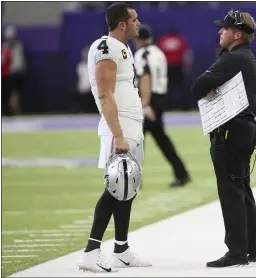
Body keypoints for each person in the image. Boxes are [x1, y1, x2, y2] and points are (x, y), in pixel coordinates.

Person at [78, 3, 151, 272]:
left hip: (130, 126)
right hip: (119, 128)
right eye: (134, 19)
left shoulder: (123, 48)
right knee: (116, 187)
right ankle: (91, 251)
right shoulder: (107, 46)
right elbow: (105, 93)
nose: (138, 23)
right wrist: (118, 134)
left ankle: (120, 249)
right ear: (122, 24)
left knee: (127, 188)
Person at [191, 10, 256, 268]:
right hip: (246, 128)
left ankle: (236, 253)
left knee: (231, 192)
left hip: (232, 132)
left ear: (237, 34)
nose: (220, 31)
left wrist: (209, 87)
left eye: (225, 28)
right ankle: (250, 249)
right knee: (242, 190)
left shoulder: (233, 58)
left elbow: (198, 85)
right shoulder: (246, 57)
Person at [133, 24, 191, 188]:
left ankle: (135, 179)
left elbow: (145, 79)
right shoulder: (159, 53)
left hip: (148, 99)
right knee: (160, 139)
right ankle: (182, 173)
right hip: (160, 98)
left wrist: (145, 105)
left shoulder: (142, 54)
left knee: (136, 140)